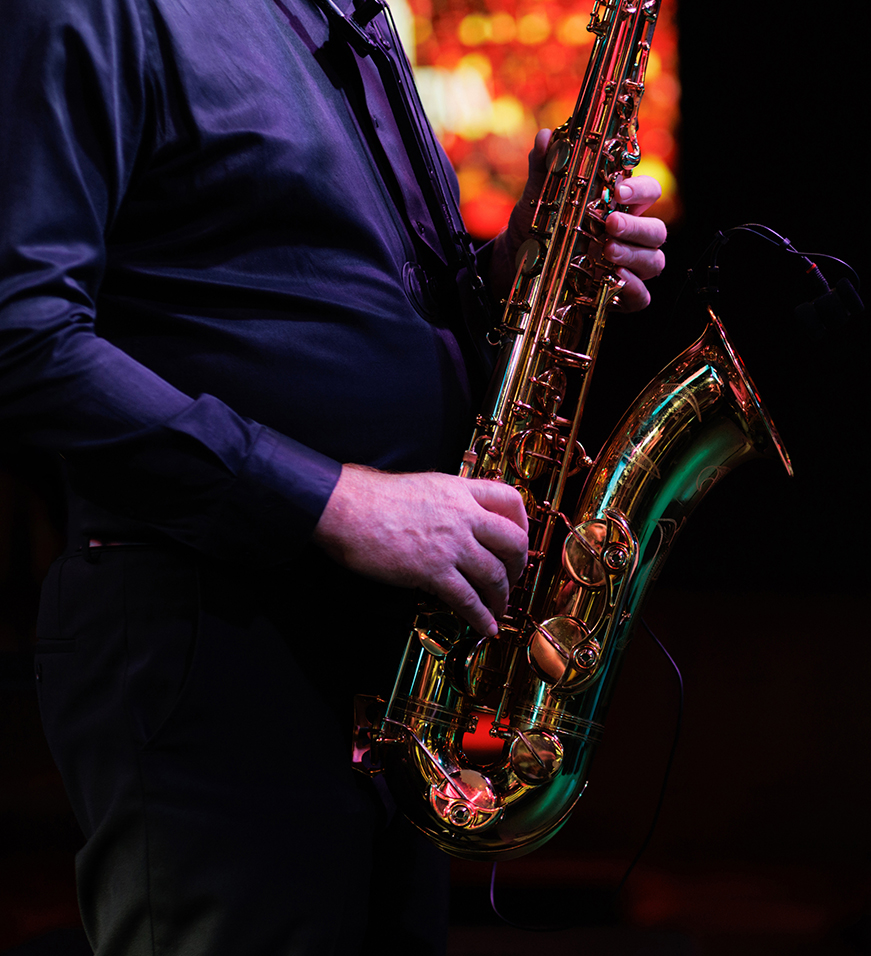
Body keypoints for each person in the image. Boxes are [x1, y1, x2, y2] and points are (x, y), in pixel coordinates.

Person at [1, 0, 665, 953]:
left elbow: (346, 298)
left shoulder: (344, 15)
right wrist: (335, 501)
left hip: (392, 657)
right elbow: (21, 338)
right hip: (215, 644)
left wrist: (526, 260)